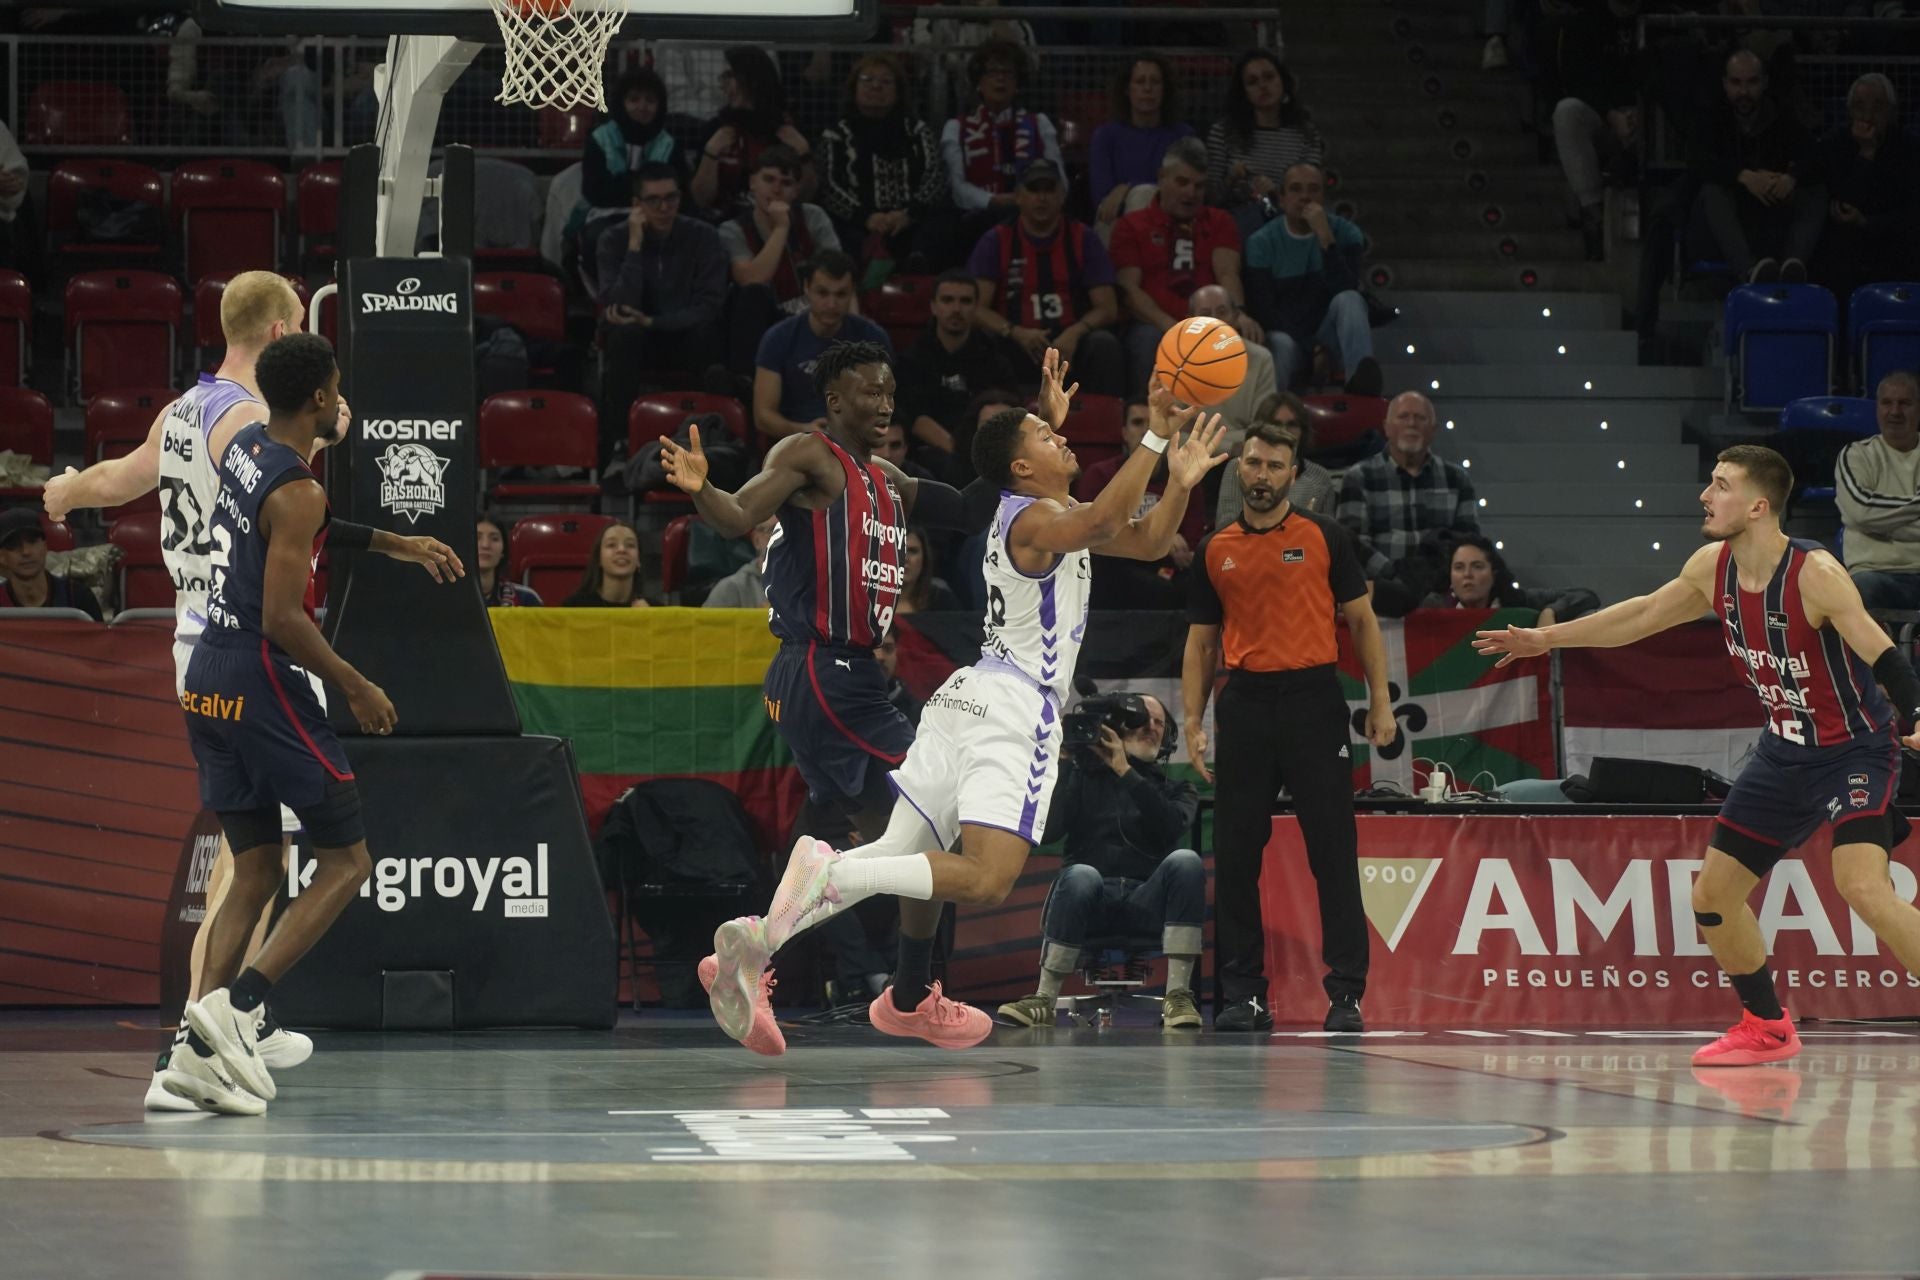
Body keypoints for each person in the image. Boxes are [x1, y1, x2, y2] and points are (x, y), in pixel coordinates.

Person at [691, 373, 1226, 1053]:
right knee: (986, 878)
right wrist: (1152, 434)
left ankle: (757, 945)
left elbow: (1146, 542)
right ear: (1021, 468)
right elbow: (1103, 522)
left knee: (900, 852)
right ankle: (829, 871)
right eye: (1044, 435)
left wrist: (1178, 481)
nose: (1060, 437)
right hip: (1012, 707)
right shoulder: (1033, 519)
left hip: (966, 696)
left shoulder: (1054, 517)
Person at [1475, 444, 1920, 1067]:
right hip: (1783, 753)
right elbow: (1640, 617)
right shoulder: (1712, 567)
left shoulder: (1814, 574)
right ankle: (1768, 1025)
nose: (1705, 496)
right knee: (1712, 897)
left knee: (1862, 888)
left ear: (1758, 506)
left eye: (1720, 485)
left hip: (1854, 752)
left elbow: (1883, 653)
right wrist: (1543, 639)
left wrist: (1916, 714)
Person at [43, 273, 348, 1111]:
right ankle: (198, 1033)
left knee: (262, 853)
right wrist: (326, 433)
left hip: (196, 638)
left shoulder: (185, 408)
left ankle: (226, 1021)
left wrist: (66, 490)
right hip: (246, 638)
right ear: (288, 329)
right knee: (251, 865)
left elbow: (120, 481)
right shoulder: (250, 420)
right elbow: (283, 495)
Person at [166, 332, 460, 1114]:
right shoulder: (299, 489)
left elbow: (297, 526)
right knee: (348, 861)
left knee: (258, 868)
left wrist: (396, 541)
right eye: (335, 387)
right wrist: (355, 684)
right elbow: (282, 618)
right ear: (322, 400)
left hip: (205, 681)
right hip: (260, 678)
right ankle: (240, 1009)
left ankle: (187, 1058)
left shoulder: (248, 453)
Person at [660, 339, 980, 1055]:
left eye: (892, 390)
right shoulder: (809, 459)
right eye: (870, 391)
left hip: (848, 677)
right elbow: (733, 512)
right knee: (929, 820)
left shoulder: (888, 478)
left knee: (908, 840)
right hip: (824, 673)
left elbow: (965, 508)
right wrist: (699, 487)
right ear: (835, 401)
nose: (886, 402)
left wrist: (1029, 460)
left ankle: (754, 960)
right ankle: (905, 995)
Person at [1184, 421, 1396, 1033]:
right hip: (1245, 703)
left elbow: (1362, 622)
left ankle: (1347, 992)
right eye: (1252, 464)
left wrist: (1379, 701)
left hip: (1313, 701)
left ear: (1294, 475)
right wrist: (1193, 722)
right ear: (1239, 469)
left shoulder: (1325, 537)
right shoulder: (1214, 549)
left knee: (1332, 851)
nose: (1261, 476)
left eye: (1275, 467)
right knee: (1238, 853)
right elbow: (1199, 645)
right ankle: (1243, 993)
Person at [996, 693, 1205, 1030]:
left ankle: (1179, 995)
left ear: (1168, 739)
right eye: (1141, 720)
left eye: (1159, 723)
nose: (1150, 728)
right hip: (1088, 901)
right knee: (1081, 874)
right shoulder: (1082, 777)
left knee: (1186, 860)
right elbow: (1047, 833)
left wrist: (1124, 770)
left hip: (1147, 904)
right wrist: (1064, 762)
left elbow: (1169, 826)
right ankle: (1044, 999)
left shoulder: (1177, 789)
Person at [594, 164, 729, 457]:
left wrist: (654, 322)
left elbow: (709, 306)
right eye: (653, 200)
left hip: (686, 336)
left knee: (709, 334)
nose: (664, 207)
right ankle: (620, 442)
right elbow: (619, 304)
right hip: (638, 341)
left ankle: (710, 439)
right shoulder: (613, 239)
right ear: (637, 205)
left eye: (671, 198)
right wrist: (634, 245)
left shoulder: (703, 236)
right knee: (624, 334)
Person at [1110, 138, 1262, 392]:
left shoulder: (1219, 221)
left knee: (1253, 337)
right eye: (1182, 182)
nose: (1190, 193)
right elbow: (1129, 292)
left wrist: (1239, 314)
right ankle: (1145, 420)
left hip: (1211, 325)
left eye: (1199, 186)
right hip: (1154, 326)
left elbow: (1227, 273)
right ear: (1161, 177)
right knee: (1147, 340)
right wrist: (1172, 328)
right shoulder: (1131, 226)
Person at [969, 158, 1127, 398]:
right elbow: (976, 308)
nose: (1042, 198)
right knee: (982, 344)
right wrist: (1015, 331)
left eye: (1049, 190)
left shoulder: (1084, 238)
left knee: (1104, 345)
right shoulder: (996, 240)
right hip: (1017, 342)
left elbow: (1108, 308)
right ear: (1019, 196)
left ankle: (1108, 427)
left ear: (1062, 196)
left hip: (1071, 343)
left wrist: (1075, 332)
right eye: (1034, 190)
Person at [1336, 390, 1479, 615]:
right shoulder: (1358, 477)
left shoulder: (1457, 479)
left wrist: (1430, 579)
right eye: (1403, 417)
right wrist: (1397, 575)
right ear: (1386, 427)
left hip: (1442, 597)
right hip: (1380, 597)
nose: (1411, 423)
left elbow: (1468, 544)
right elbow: (1353, 546)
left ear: (1433, 430)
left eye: (1420, 418)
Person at [1244, 161, 1381, 395]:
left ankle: (1362, 393)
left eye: (1313, 190)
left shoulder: (1347, 234)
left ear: (1323, 196)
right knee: (1279, 342)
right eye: (1296, 189)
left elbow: (1345, 287)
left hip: (1331, 337)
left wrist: (1326, 238)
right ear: (1282, 198)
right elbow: (1265, 311)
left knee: (1349, 299)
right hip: (1289, 336)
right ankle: (1268, 414)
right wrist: (1313, 348)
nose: (1305, 197)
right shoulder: (1261, 243)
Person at [1687, 49, 1823, 285]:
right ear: (1724, 83)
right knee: (1712, 192)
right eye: (1736, 83)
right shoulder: (1710, 118)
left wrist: (1791, 177)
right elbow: (1699, 162)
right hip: (1723, 226)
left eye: (1752, 82)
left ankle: (1793, 269)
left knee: (1816, 192)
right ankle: (1749, 273)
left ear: (1765, 82)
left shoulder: (1782, 117)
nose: (1743, 92)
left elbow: (1814, 156)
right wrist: (1743, 176)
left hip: (1768, 218)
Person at [816, 53, 950, 270]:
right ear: (854, 88)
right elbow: (829, 187)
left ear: (898, 91)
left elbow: (935, 177)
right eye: (867, 80)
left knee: (943, 221)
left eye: (886, 81)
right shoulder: (836, 134)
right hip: (858, 224)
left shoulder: (917, 130)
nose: (876, 86)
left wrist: (908, 214)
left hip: (911, 221)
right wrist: (866, 217)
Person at [1074, 395, 1205, 609]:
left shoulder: (1184, 476)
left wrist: (1175, 543)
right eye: (1138, 423)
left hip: (1168, 570)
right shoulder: (1100, 474)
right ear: (1124, 433)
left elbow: (1192, 544)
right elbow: (1089, 537)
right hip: (1116, 570)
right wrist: (1162, 533)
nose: (1147, 429)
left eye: (1153, 422)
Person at [721, 145, 843, 373]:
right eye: (769, 179)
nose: (776, 189)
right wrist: (781, 228)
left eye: (786, 183)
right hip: (762, 322)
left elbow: (838, 275)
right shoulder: (732, 230)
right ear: (752, 183)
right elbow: (751, 279)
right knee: (754, 294)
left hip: (811, 315)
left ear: (796, 191)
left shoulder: (813, 217)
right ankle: (745, 382)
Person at [895, 269, 1027, 478]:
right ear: (933, 306)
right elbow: (913, 417)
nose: (956, 309)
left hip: (985, 451)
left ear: (976, 308)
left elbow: (1010, 409)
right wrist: (959, 452)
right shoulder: (913, 358)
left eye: (965, 301)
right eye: (947, 300)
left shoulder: (993, 357)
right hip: (931, 455)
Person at [752, 249, 893, 444]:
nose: (831, 304)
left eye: (841, 294)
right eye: (822, 293)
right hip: (798, 444)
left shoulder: (873, 339)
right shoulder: (778, 338)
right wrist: (805, 431)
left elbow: (886, 405)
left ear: (852, 292)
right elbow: (763, 416)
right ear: (807, 288)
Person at [1806, 73, 1920, 300]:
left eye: (1877, 107)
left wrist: (1869, 223)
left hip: (1896, 244)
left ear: (1891, 111)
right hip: (1847, 249)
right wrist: (1866, 155)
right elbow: (1843, 207)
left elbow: (1913, 212)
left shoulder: (1910, 149)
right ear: (1849, 111)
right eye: (1860, 107)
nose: (1867, 116)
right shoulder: (1834, 144)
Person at [940, 40, 1061, 247]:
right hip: (976, 218)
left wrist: (1028, 200)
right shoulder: (955, 127)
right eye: (992, 72)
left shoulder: (1040, 123)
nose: (1000, 78)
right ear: (978, 82)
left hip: (1033, 216)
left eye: (1008, 73)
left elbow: (1060, 181)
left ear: (1017, 85)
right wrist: (992, 200)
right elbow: (956, 188)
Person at [1548, 0, 1643, 261]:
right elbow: (1575, 80)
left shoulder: (1660, 18)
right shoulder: (1585, 21)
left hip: (1652, 120)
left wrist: (1643, 113)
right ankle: (1594, 214)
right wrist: (1610, 114)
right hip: (1604, 119)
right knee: (1567, 112)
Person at [1205, 51, 1325, 241]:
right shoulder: (1224, 132)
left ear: (1282, 81)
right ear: (1244, 92)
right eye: (1252, 82)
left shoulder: (1305, 133)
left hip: (1289, 216)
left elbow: (1311, 191)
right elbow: (1209, 198)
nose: (1263, 86)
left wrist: (1276, 194)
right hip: (1239, 217)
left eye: (1269, 77)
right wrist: (1232, 179)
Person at [569, 67, 682, 267]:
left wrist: (625, 184)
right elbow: (595, 192)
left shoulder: (668, 143)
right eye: (634, 99)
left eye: (650, 100)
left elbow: (679, 191)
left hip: (660, 217)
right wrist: (646, 188)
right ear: (622, 103)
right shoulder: (599, 138)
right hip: (606, 217)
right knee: (601, 240)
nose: (642, 107)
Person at [690, 45, 814, 215]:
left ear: (751, 79)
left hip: (779, 220)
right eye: (722, 78)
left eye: (729, 76)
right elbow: (701, 200)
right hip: (725, 225)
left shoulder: (788, 130)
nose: (722, 86)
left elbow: (806, 198)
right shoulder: (716, 129)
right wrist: (710, 154)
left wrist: (803, 152)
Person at [1837, 370, 1920, 611]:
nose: (1895, 412)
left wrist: (1880, 524)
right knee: (1857, 591)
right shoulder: (1856, 455)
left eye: (1905, 403)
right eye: (1887, 403)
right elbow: (1860, 512)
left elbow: (1868, 516)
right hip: (1873, 574)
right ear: (1877, 408)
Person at [1090, 53, 1196, 236]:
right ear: (1127, 89)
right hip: (1118, 223)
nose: (1148, 88)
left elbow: (1187, 191)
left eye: (1155, 82)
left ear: (1164, 89)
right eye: (1140, 81)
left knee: (1143, 195)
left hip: (1171, 224)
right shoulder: (1105, 136)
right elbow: (1103, 198)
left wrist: (1128, 187)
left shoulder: (1183, 136)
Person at [1422, 533, 1598, 624]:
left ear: (1494, 574)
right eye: (1459, 568)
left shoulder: (1518, 602)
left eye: (1477, 566)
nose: (1467, 574)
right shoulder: (1434, 608)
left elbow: (1585, 596)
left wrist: (1550, 612)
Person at [1218, 390, 1333, 527]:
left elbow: (1326, 538)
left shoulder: (1320, 478)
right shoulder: (1236, 468)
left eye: (1292, 424)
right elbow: (1225, 528)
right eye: (1275, 424)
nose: (1284, 431)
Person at [0, 511, 102, 618]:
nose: (26, 552)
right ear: (1, 556)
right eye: (14, 545)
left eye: (32, 541)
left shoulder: (79, 596)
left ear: (45, 547)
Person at [561, 520, 652, 608]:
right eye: (611, 545)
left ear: (638, 560)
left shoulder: (655, 610)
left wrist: (649, 620)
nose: (621, 550)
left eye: (630, 545)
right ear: (599, 559)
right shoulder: (574, 608)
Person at [702, 515, 777, 609]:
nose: (783, 539)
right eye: (774, 530)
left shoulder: (800, 586)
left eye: (788, 531)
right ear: (756, 540)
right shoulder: (730, 590)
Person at [476, 512, 541, 608]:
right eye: (477, 538)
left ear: (503, 550)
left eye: (494, 539)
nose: (485, 545)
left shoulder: (527, 598)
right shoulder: (449, 597)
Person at [896, 526, 963, 614]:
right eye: (898, 550)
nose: (905, 558)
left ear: (925, 558)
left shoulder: (943, 602)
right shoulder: (872, 600)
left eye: (912, 551)